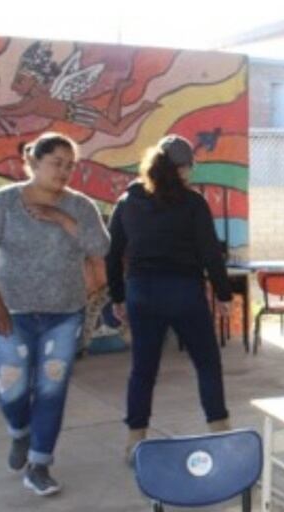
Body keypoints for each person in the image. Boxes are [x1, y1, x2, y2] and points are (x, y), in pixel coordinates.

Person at [0, 132, 110, 496]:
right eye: (56, 163)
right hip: (13, 313)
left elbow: (100, 246)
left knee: (51, 389)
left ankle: (40, 465)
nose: (63, 172)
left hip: (64, 314)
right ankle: (20, 432)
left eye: (70, 166)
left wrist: (62, 219)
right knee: (12, 389)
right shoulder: (3, 203)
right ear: (33, 163)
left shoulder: (79, 206)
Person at [106, 135, 233, 461]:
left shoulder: (127, 201)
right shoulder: (193, 203)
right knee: (207, 363)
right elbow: (210, 253)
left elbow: (113, 254)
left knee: (143, 370)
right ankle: (220, 432)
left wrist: (118, 296)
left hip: (141, 292)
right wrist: (223, 294)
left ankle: (135, 441)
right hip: (184, 291)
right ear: (185, 168)